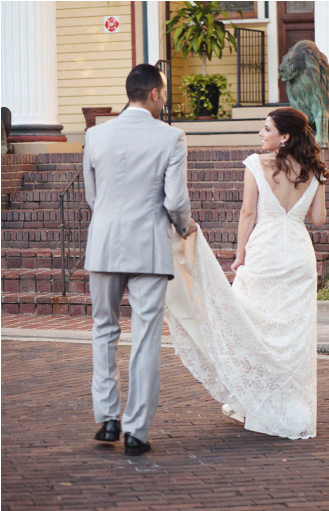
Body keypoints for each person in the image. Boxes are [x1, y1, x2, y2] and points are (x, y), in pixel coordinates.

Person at [165, 107, 328, 440]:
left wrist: (239, 255)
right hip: (298, 254)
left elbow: (247, 213)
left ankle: (250, 401)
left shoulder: (256, 165)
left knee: (247, 322)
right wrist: (313, 188)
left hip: (265, 251)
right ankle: (272, 401)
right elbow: (320, 219)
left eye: (266, 128)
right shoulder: (315, 171)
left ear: (284, 136)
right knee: (291, 335)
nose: (260, 134)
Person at [84, 63, 196, 456]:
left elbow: (92, 196)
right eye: (164, 93)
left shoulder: (95, 135)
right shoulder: (171, 137)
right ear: (153, 93)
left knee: (104, 330)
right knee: (145, 338)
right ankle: (136, 431)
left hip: (104, 243)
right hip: (148, 245)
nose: (164, 99)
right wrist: (185, 227)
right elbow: (176, 201)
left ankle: (108, 418)